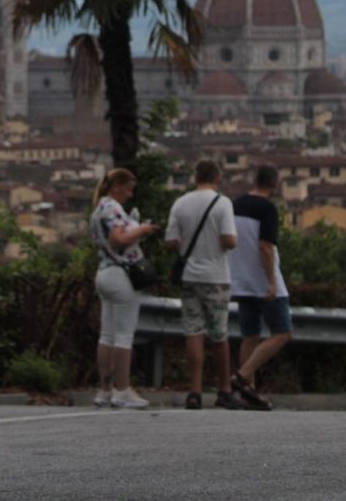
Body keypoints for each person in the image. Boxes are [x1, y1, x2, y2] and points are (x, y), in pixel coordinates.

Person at [165, 160, 244, 410]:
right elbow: (229, 241)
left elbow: (170, 242)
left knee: (193, 333)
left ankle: (195, 392)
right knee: (219, 335)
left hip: (190, 276)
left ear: (195, 177)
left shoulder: (181, 203)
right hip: (217, 278)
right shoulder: (223, 203)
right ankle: (224, 390)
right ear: (217, 178)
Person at [89, 167, 159, 408]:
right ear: (117, 186)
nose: (130, 195)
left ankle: (105, 390)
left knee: (107, 334)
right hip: (121, 276)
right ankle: (122, 389)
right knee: (123, 335)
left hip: (104, 273)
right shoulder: (112, 208)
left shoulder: (99, 207)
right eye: (128, 189)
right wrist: (143, 230)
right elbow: (118, 240)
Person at [229, 166, 291, 410]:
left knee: (250, 335)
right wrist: (272, 282)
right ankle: (243, 377)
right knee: (282, 333)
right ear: (274, 183)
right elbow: (265, 247)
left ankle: (248, 393)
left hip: (241, 281)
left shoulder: (235, 204)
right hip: (263, 282)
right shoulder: (267, 209)